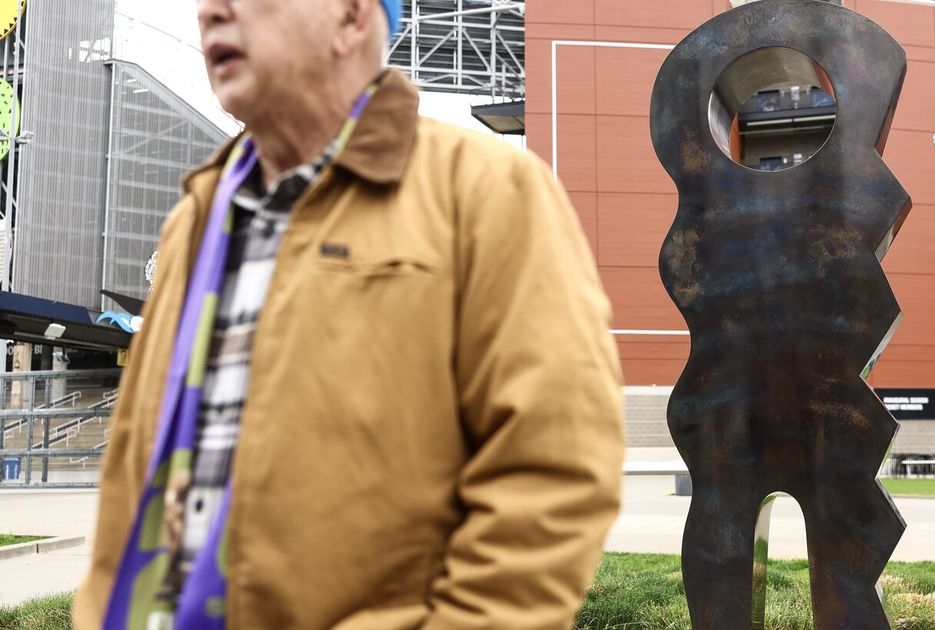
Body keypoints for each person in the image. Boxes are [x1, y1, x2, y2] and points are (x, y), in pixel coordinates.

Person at [73, 0, 625, 627]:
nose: (209, 11)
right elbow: (132, 470)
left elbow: (554, 472)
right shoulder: (194, 219)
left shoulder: (486, 191)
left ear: (351, 19)